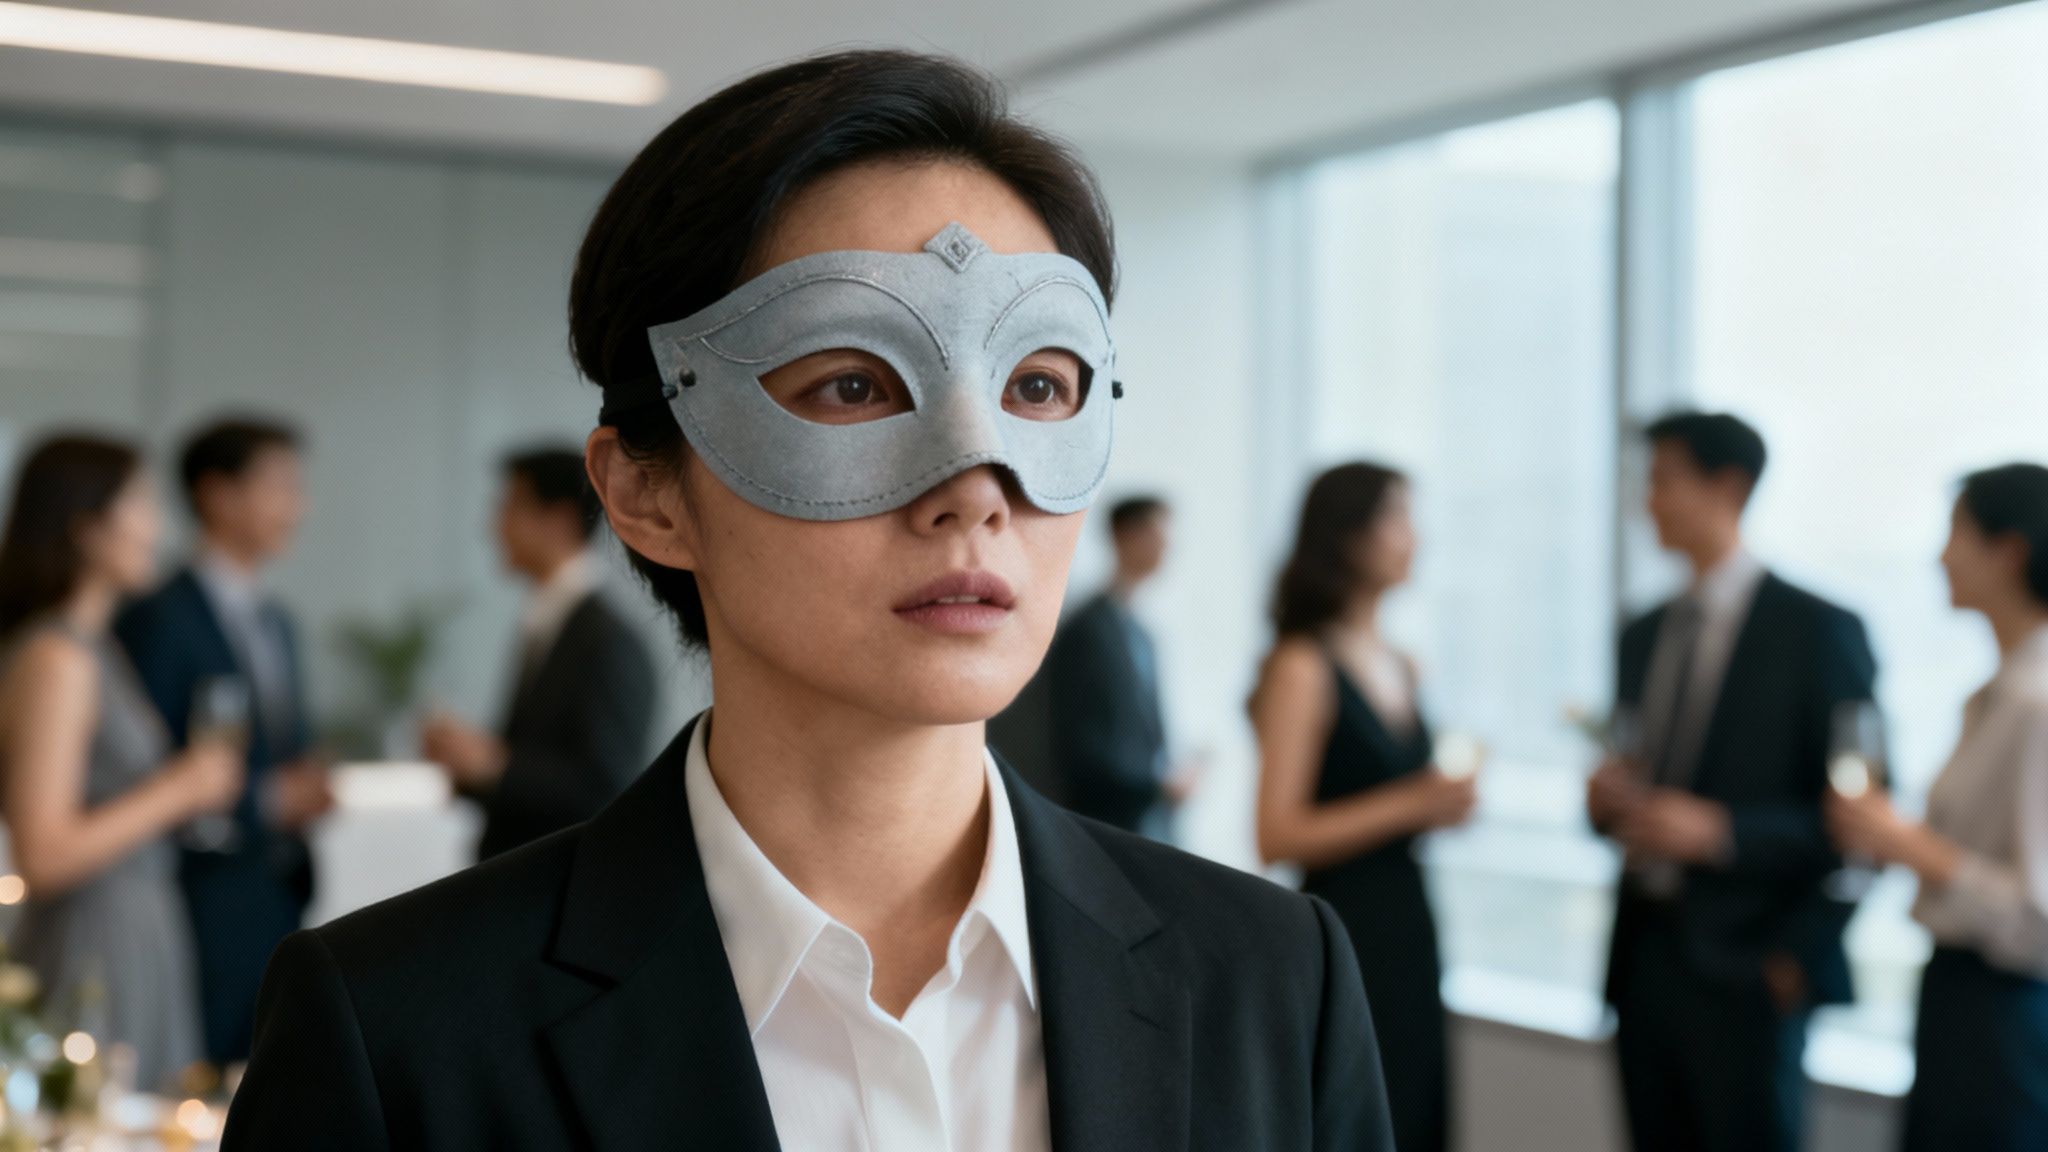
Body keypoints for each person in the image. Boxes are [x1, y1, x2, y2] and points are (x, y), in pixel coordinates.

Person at [223, 50, 1393, 1152]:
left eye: (1037, 383)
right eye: (850, 383)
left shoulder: (1273, 982)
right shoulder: (396, 1033)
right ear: (643, 491)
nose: (971, 490)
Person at [1587, 411, 1877, 1152]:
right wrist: (1604, 803)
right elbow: (1634, 774)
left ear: (1729, 485)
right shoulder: (1642, 632)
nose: (1646, 502)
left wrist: (1724, 837)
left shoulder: (1819, 629)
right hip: (1645, 961)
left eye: (1662, 481)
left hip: (1752, 969)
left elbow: (1862, 823)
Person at [0, 435, 242, 1090]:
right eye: (142, 503)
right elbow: (43, 852)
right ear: (87, 526)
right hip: (92, 944)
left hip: (132, 931)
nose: (156, 525)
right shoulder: (58, 659)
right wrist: (182, 789)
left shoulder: (94, 648)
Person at [1250, 462, 1476, 1152]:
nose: (1414, 538)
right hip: (1343, 927)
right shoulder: (1302, 664)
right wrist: (1413, 803)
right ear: (1346, 534)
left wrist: (1441, 806)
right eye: (1396, 518)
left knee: (1417, 1106)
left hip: (1411, 917)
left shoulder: (1402, 662)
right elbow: (1276, 832)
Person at [1826, 463, 2048, 1152]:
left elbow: (2038, 920)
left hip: (2006, 1012)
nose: (1941, 555)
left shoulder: (2036, 701)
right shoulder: (1999, 690)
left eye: (1957, 533)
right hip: (1965, 1002)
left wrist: (1910, 846)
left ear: (2009, 551)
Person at [115, 418, 331, 1067]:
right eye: (281, 487)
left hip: (273, 892)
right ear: (217, 493)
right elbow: (138, 766)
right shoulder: (158, 617)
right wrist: (265, 799)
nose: (298, 507)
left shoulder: (277, 621)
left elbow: (277, 743)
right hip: (195, 898)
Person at [421, 448, 656, 860]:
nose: (494, 526)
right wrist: (472, 767)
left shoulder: (606, 639)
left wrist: (495, 766)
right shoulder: (551, 621)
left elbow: (608, 789)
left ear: (560, 520)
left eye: (511, 506)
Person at [1042, 494, 1194, 838]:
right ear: (1124, 536)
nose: (1166, 547)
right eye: (1157, 535)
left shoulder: (1142, 632)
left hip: (1149, 820)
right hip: (1107, 821)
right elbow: (1080, 741)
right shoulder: (1086, 631)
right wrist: (1156, 784)